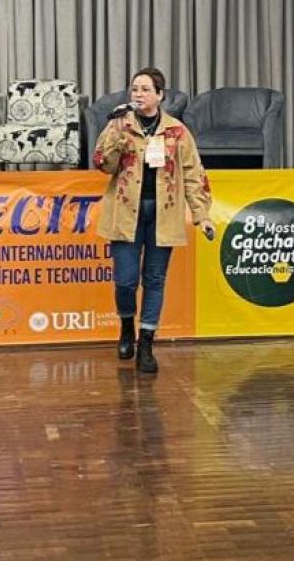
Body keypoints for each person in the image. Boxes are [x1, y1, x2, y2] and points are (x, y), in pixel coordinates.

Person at [94, 67, 215, 373]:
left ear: (160, 95)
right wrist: (117, 138)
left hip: (163, 214)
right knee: (125, 281)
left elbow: (194, 175)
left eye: (146, 89)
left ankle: (146, 343)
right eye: (135, 89)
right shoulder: (118, 124)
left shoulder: (177, 131)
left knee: (155, 279)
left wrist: (201, 215)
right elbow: (102, 164)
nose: (139, 94)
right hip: (125, 213)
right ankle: (126, 328)